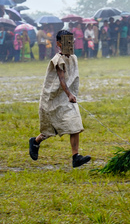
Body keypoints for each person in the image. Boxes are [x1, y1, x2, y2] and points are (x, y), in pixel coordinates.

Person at [29, 30, 91, 168]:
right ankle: (35, 141)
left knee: (74, 124)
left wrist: (71, 95)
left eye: (72, 42)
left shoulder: (73, 58)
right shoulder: (58, 60)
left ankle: (76, 156)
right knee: (53, 128)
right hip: (55, 98)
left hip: (68, 97)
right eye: (67, 42)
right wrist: (69, 94)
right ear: (59, 44)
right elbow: (62, 79)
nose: (71, 45)